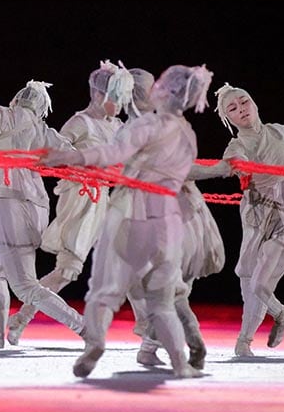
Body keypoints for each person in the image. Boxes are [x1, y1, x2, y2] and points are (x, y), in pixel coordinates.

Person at [41, 64, 214, 379]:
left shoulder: (144, 126)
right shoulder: (186, 132)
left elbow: (111, 154)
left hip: (133, 210)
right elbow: (185, 172)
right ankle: (180, 362)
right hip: (169, 216)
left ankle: (94, 344)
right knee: (162, 298)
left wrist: (70, 157)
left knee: (105, 289)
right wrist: (220, 170)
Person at [5, 61, 129, 345]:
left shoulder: (119, 125)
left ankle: (149, 330)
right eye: (118, 96)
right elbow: (50, 153)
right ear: (100, 95)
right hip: (82, 197)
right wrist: (82, 166)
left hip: (109, 198)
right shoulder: (80, 122)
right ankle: (22, 318)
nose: (123, 103)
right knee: (67, 270)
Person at [188, 83, 284, 357]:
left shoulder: (282, 132)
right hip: (257, 217)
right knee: (247, 280)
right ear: (228, 119)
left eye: (244, 102)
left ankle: (279, 315)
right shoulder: (237, 146)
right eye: (233, 108)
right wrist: (181, 172)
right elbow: (226, 166)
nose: (241, 109)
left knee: (259, 281)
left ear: (254, 103)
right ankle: (248, 339)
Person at [0, 80, 84, 350]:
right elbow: (73, 155)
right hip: (39, 207)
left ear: (17, 98)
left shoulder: (2, 115)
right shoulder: (43, 129)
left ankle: (85, 328)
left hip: (10, 203)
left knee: (25, 286)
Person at [125, 68, 222, 370]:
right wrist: (218, 170)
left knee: (179, 284)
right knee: (171, 284)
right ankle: (193, 344)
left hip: (184, 207)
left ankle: (151, 347)